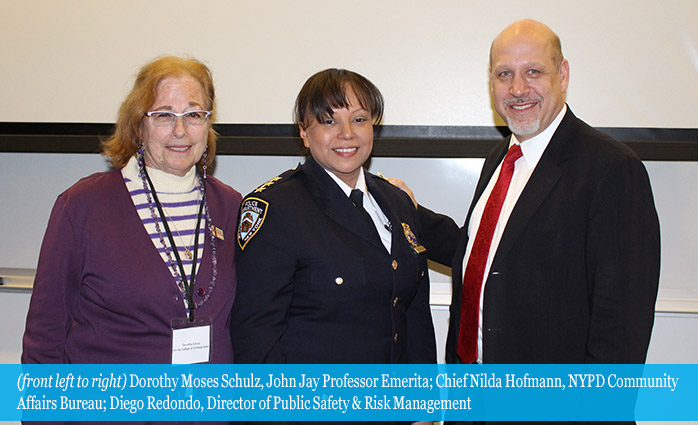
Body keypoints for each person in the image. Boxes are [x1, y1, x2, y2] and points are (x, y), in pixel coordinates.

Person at [397, 19, 660, 368]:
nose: (518, 89)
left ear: (563, 75)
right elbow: (484, 257)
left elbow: (623, 323)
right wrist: (407, 211)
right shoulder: (501, 158)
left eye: (533, 72)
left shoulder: (611, 170)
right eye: (504, 74)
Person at [230, 68, 435, 423]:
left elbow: (413, 313)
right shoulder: (276, 207)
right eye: (328, 121)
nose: (347, 134)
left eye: (359, 119)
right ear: (304, 133)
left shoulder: (397, 201)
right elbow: (257, 336)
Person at [22, 56, 242, 370]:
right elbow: (45, 336)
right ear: (138, 123)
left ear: (208, 124)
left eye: (194, 114)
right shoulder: (83, 205)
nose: (180, 130)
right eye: (164, 115)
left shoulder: (230, 206)